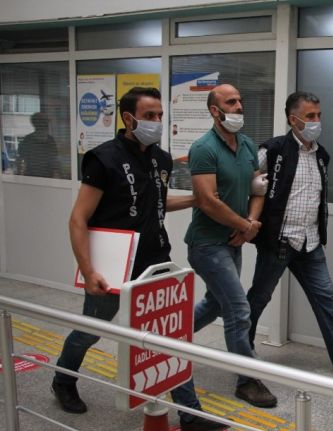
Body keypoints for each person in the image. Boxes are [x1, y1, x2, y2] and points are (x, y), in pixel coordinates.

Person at [53, 87, 226, 431]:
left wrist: (195, 200)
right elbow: (78, 219)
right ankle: (63, 379)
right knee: (92, 330)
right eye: (149, 116)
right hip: (114, 267)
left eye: (160, 115)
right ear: (128, 118)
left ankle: (190, 414)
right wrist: (88, 270)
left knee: (169, 337)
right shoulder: (103, 159)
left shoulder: (161, 159)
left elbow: (157, 203)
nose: (157, 121)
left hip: (156, 262)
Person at [248, 91, 333, 376]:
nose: (317, 121)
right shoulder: (273, 150)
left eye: (319, 115)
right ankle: (242, 351)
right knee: (258, 298)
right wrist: (251, 201)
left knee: (325, 296)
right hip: (279, 240)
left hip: (310, 241)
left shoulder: (321, 155)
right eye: (310, 116)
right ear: (293, 120)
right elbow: (246, 178)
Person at [184, 84, 277, 408]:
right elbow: (207, 201)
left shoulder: (248, 144)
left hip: (234, 240)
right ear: (215, 111)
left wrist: (249, 224)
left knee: (215, 304)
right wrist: (244, 226)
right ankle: (246, 380)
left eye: (240, 101)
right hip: (207, 244)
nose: (239, 107)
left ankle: (167, 341)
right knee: (238, 310)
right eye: (231, 102)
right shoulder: (203, 148)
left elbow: (258, 187)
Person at [17, 112, 59, 178]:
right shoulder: (28, 140)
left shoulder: (50, 140)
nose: (46, 125)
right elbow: (20, 159)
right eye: (44, 123)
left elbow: (55, 160)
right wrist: (18, 176)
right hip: (31, 179)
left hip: (48, 179)